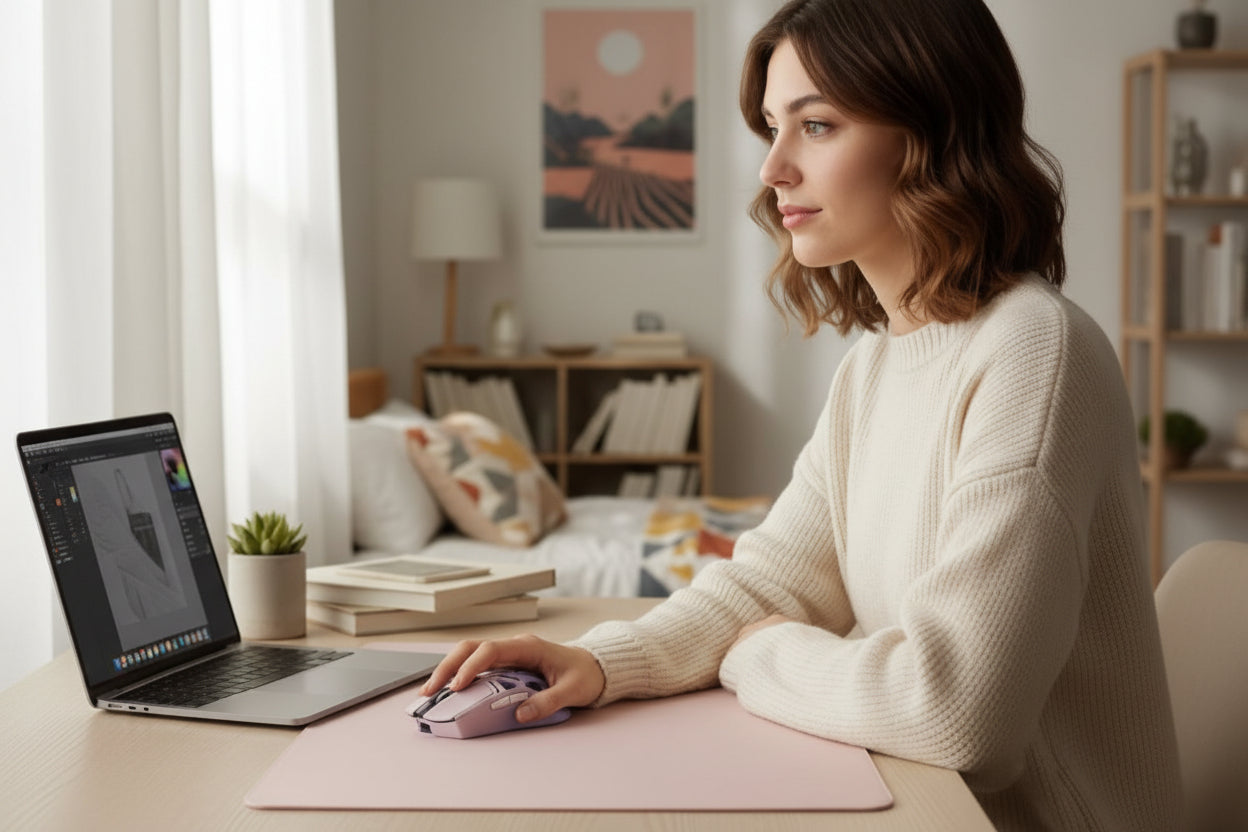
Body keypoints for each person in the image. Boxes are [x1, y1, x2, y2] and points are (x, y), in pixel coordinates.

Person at [422, 0, 1181, 827]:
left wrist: (763, 654)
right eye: (773, 129)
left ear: (933, 130)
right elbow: (776, 579)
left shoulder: (1036, 352)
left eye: (816, 126)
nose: (773, 168)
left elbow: (958, 710)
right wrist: (599, 662)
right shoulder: (877, 365)